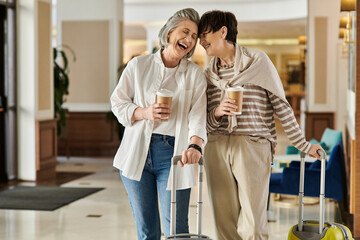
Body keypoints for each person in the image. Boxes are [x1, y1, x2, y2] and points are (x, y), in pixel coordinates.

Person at [198, 10, 324, 240]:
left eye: (205, 34)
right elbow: (203, 120)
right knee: (223, 221)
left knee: (254, 223)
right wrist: (217, 112)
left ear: (223, 32)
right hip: (216, 144)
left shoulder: (257, 61)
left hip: (253, 143)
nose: (201, 41)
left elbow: (281, 105)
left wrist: (303, 144)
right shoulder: (208, 74)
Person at [110, 8, 207, 240]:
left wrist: (195, 146)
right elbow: (117, 102)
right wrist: (145, 112)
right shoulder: (138, 66)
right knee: (146, 230)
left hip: (174, 155)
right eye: (185, 32)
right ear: (170, 31)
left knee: (176, 229)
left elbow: (198, 116)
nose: (189, 40)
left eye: (194, 37)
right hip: (137, 153)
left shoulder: (194, 74)